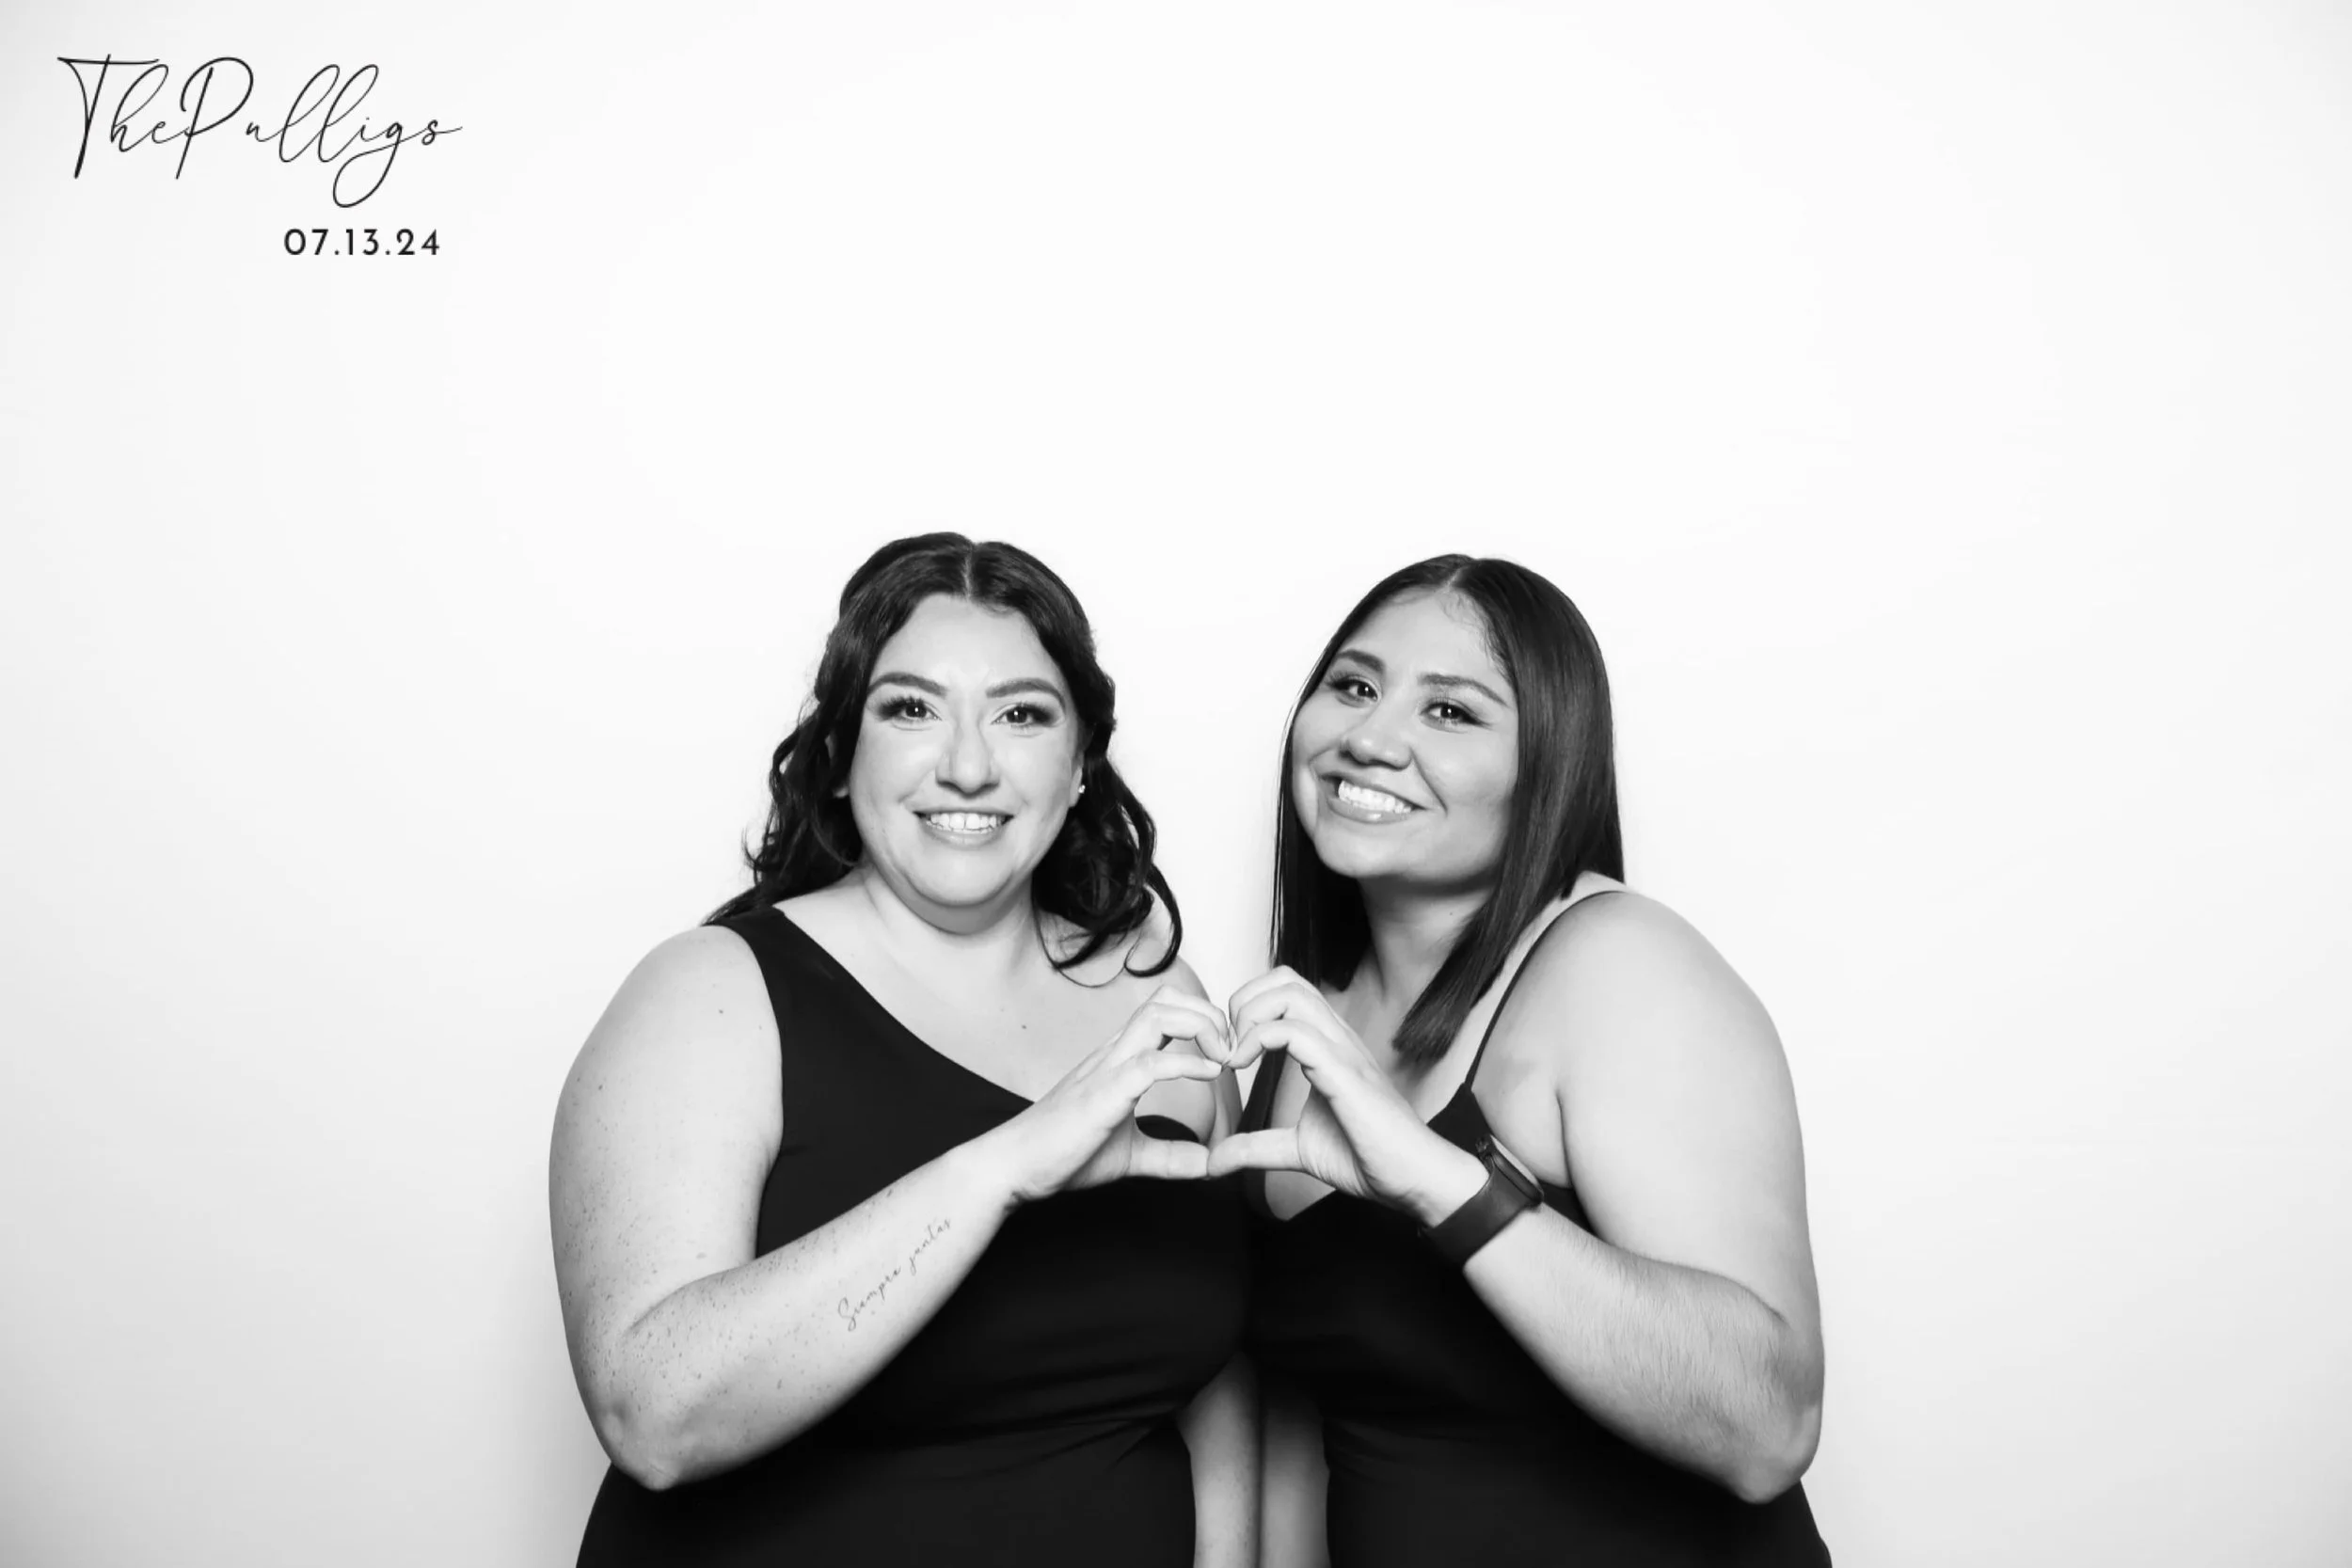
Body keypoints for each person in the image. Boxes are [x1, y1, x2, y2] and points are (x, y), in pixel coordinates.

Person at [551, 533, 1255, 1568]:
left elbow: (1212, 1367)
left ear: (1078, 766)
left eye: (1022, 714)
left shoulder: (1163, 997)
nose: (967, 764)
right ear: (841, 755)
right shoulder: (711, 993)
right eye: (911, 709)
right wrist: (1003, 1167)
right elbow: (651, 1414)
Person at [1210, 555, 1833, 1566]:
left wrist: (1440, 1180)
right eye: (1354, 686)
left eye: (1450, 711)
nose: (1371, 737)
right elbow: (1303, 1418)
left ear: (1546, 766)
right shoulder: (1311, 1018)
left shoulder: (1618, 965)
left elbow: (1768, 1428)